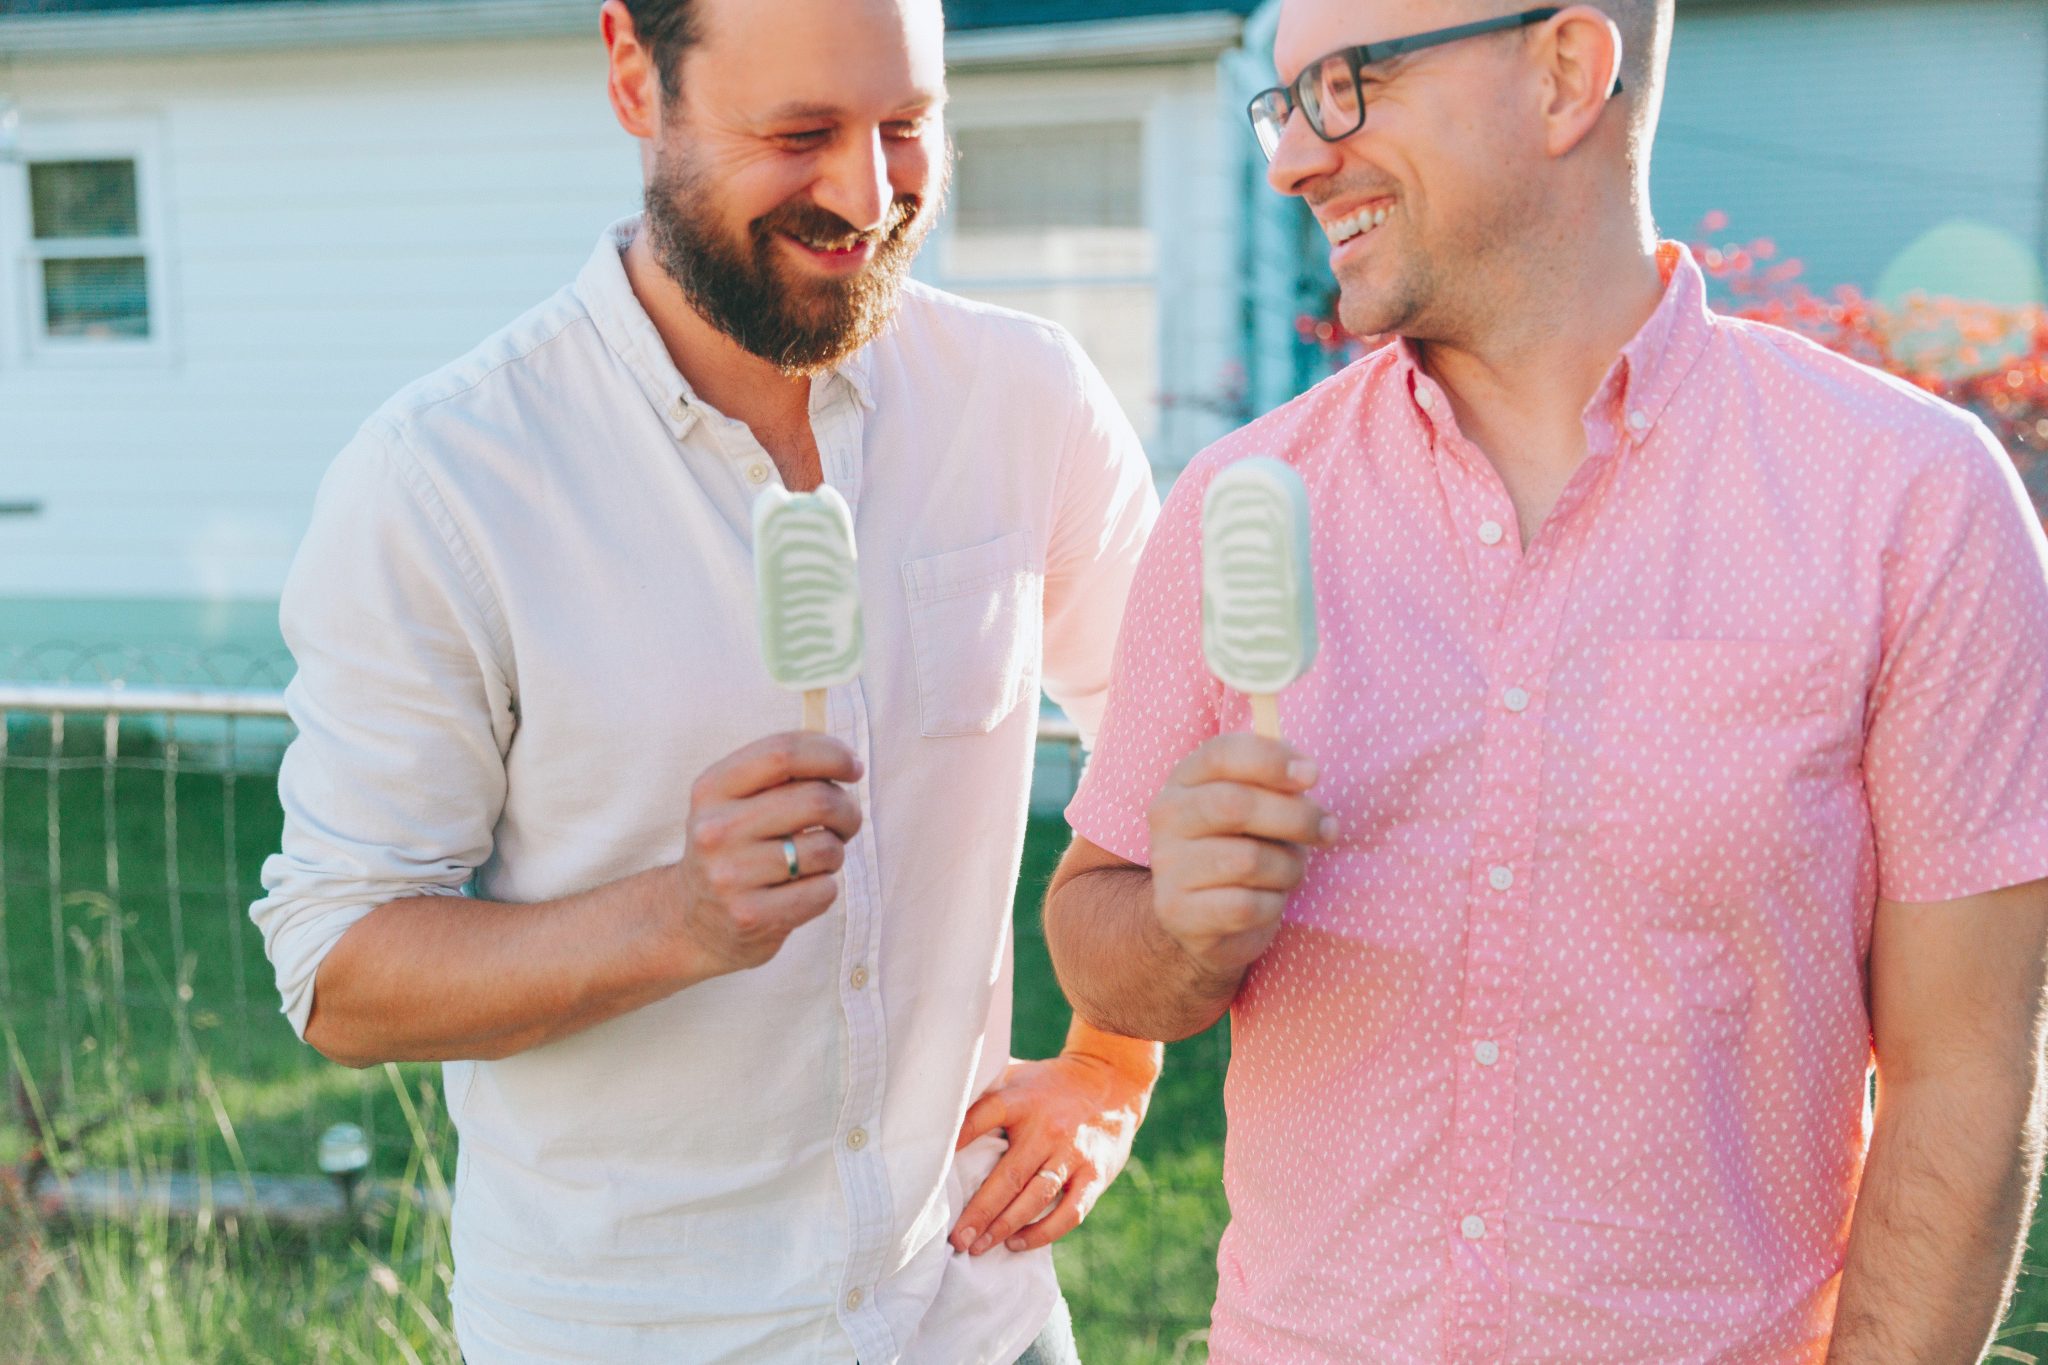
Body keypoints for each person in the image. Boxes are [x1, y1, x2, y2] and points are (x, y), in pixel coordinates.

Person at [1042, 1, 2048, 1360]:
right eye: (1284, 105)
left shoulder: (1911, 503)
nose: (1292, 161)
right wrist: (1172, 921)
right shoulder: (1243, 502)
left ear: (1567, 69)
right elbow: (1093, 929)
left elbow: (1966, 1082)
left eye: (1346, 89)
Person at [249, 0, 1164, 1359]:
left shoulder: (1023, 400)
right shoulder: (443, 483)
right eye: (800, 133)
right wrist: (676, 917)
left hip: (970, 1314)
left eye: (907, 127)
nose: (867, 196)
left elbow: (1166, 745)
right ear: (635, 75)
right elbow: (339, 969)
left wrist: (1111, 1060)